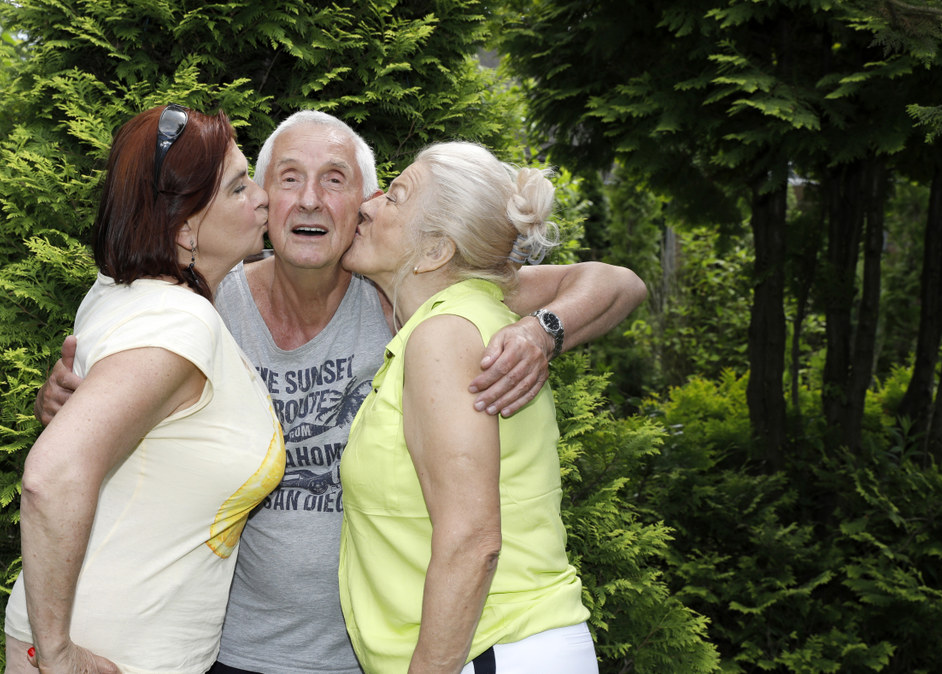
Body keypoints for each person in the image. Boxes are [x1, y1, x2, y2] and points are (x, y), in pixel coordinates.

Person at [35, 111, 647, 674]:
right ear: (263, 199)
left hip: (393, 653)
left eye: (335, 180)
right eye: (287, 178)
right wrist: (71, 399)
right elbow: (94, 429)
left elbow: (615, 282)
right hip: (235, 649)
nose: (309, 199)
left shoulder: (414, 300)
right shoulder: (206, 305)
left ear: (363, 203)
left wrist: (543, 332)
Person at [3, 104, 286, 674]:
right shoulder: (180, 322)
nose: (263, 199)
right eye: (237, 189)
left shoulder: (120, 289)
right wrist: (57, 656)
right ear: (184, 231)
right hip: (114, 654)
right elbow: (50, 477)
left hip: (114, 636)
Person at [338, 141, 597, 673]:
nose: (368, 203)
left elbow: (472, 541)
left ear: (435, 251)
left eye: (396, 197)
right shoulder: (470, 319)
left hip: (490, 651)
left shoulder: (445, 336)